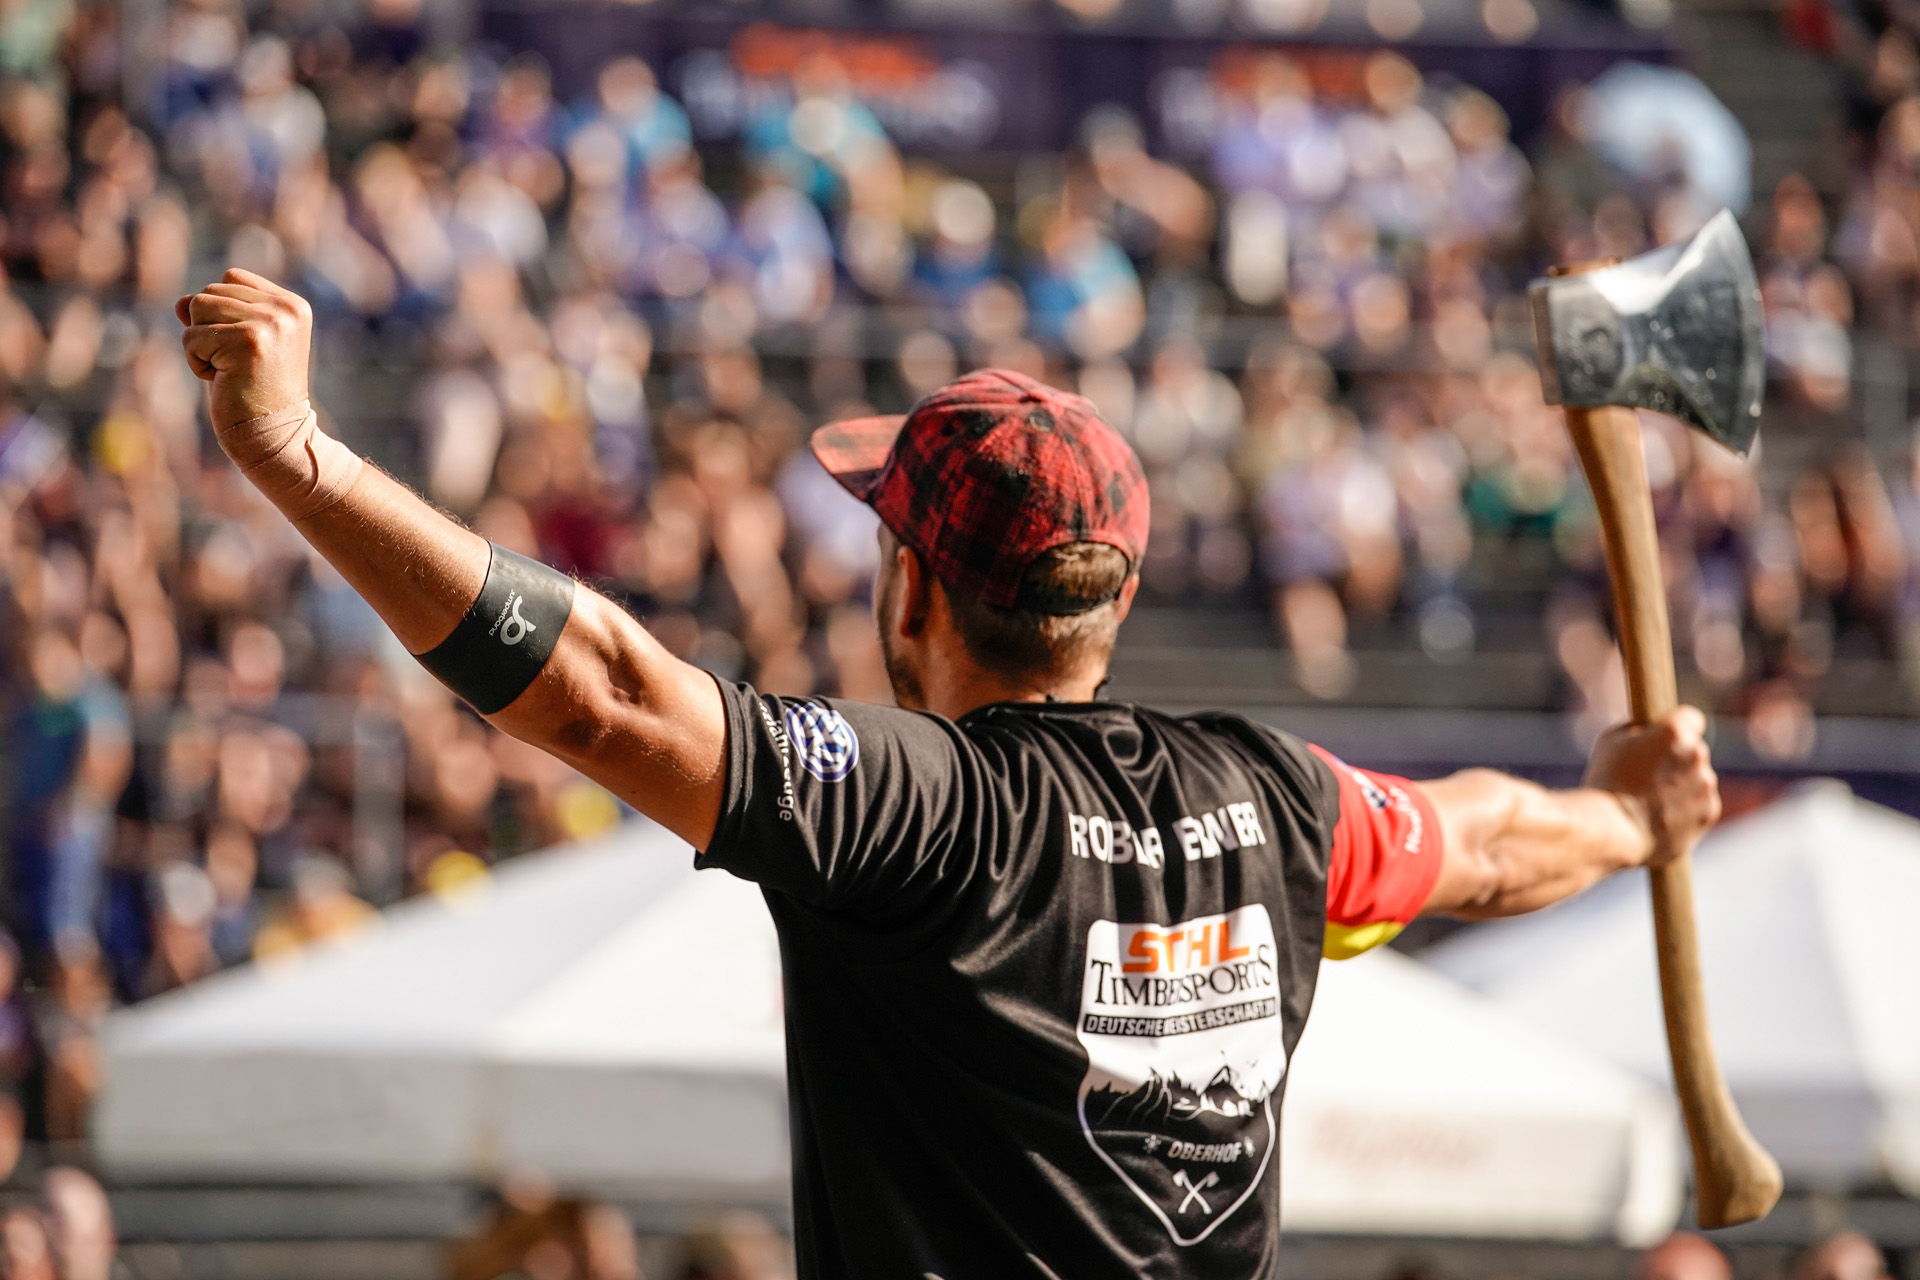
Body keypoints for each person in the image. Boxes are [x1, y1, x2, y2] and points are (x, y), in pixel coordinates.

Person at [175, 269, 1722, 1279]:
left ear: (911, 592)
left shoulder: (922, 810)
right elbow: (1484, 839)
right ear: (1114, 601)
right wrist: (1632, 813)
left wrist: (300, 454)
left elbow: (602, 693)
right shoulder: (1280, 800)